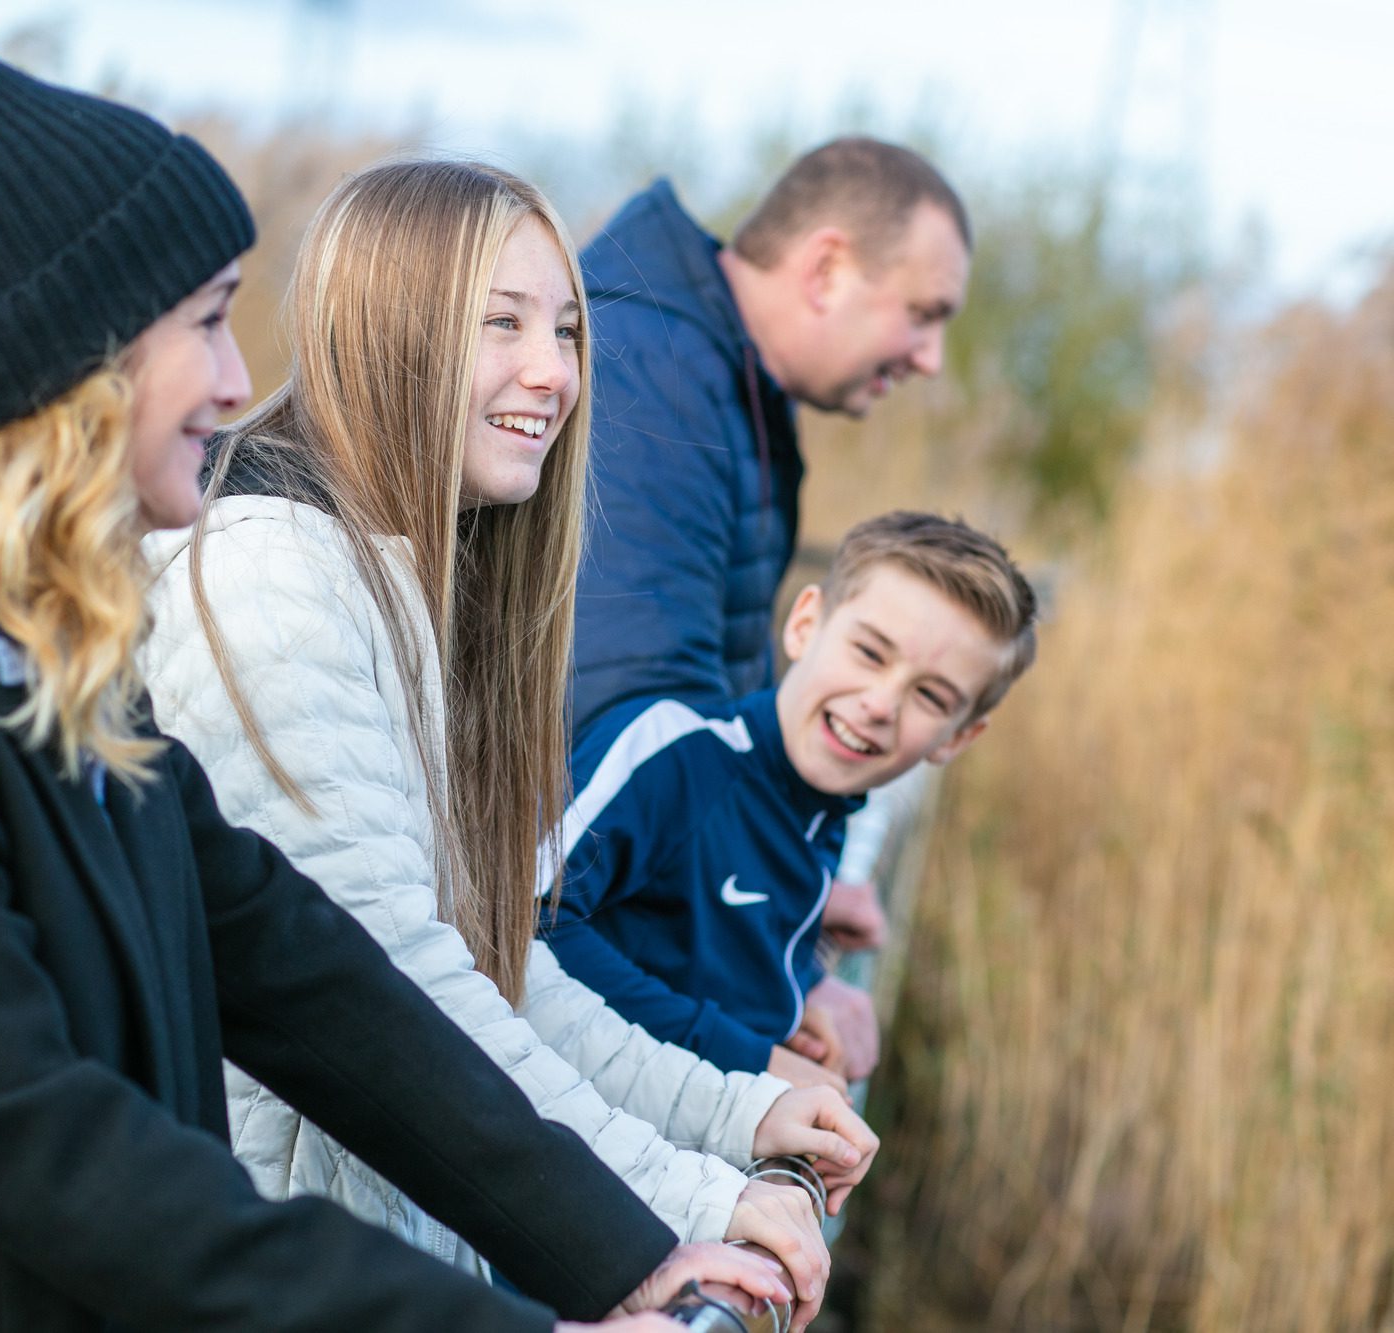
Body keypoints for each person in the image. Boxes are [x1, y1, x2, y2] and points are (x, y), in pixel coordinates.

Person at [0, 30, 801, 1333]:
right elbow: (68, 1163)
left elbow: (307, 978)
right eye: (210, 323)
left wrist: (622, 1251)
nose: (239, 384)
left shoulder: (42, 640)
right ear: (75, 355)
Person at [140, 157, 874, 1314]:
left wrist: (731, 1111)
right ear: (387, 330)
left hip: (387, 1249)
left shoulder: (424, 581)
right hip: (275, 1271)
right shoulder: (271, 580)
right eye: (501, 324)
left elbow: (499, 960)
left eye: (570, 329)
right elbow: (399, 991)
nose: (556, 372)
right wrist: (676, 1204)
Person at [569, 139, 974, 1083]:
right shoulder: (659, 377)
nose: (931, 357)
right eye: (922, 315)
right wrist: (775, 979)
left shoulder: (722, 376)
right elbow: (632, 736)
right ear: (827, 267)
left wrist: (797, 888)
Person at [542, 513, 1037, 1092]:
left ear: (956, 738)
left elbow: (714, 941)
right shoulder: (676, 753)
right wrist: (756, 1062)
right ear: (805, 624)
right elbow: (526, 929)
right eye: (870, 653)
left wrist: (791, 1003)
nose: (881, 703)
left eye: (929, 695)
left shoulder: (824, 811)